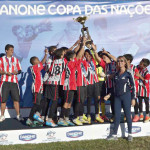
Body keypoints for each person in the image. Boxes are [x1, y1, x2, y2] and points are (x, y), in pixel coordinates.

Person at [107, 56, 136, 141]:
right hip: (117, 98)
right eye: (118, 61)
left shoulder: (128, 73)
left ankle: (130, 134)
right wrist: (109, 95)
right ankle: (114, 135)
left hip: (126, 97)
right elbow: (114, 88)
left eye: (122, 61)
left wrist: (133, 98)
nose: (120, 63)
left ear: (125, 63)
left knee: (127, 115)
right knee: (117, 116)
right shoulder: (115, 74)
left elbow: (133, 87)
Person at [91, 45, 117, 123]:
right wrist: (95, 51)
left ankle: (122, 115)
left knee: (117, 101)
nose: (103, 57)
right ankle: (113, 115)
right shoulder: (104, 65)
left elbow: (116, 59)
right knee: (112, 101)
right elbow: (97, 58)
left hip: (116, 85)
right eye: (103, 56)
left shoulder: (115, 63)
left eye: (105, 56)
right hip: (109, 86)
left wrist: (107, 53)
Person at [0, 44, 23, 122]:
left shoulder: (15, 59)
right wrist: (5, 72)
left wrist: (16, 72)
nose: (12, 51)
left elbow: (19, 70)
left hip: (14, 82)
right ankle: (2, 115)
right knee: (3, 100)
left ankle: (18, 115)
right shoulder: (1, 59)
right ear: (6, 50)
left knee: (16, 100)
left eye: (13, 50)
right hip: (5, 81)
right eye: (10, 50)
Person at [45, 48, 67, 127]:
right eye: (63, 53)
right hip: (56, 82)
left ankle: (50, 118)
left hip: (50, 81)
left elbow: (49, 70)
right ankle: (49, 119)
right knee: (55, 101)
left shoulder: (53, 61)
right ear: (61, 54)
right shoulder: (64, 61)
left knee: (53, 100)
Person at [26, 49, 48, 126]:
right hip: (36, 88)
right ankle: (29, 119)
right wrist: (46, 54)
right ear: (35, 62)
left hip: (39, 87)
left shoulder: (36, 68)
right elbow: (42, 62)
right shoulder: (34, 67)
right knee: (36, 104)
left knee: (40, 102)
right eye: (38, 60)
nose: (39, 61)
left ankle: (36, 117)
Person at [84, 49, 104, 124]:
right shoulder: (83, 61)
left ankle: (97, 115)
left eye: (88, 54)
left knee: (97, 99)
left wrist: (92, 48)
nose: (87, 56)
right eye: (86, 55)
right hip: (88, 82)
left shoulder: (94, 60)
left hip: (96, 82)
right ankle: (88, 115)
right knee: (89, 99)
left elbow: (95, 55)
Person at [123, 54, 139, 122]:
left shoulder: (134, 67)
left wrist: (131, 80)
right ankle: (127, 115)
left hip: (134, 86)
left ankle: (136, 114)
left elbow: (137, 76)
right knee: (126, 101)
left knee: (134, 100)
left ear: (129, 61)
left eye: (125, 60)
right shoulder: (123, 67)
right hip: (126, 87)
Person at [136, 58, 150, 123]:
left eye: (141, 64)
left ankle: (147, 115)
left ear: (145, 66)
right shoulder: (137, 68)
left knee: (147, 102)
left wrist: (140, 76)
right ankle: (141, 114)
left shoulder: (147, 72)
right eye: (140, 62)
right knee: (140, 102)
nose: (140, 64)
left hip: (145, 89)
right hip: (139, 88)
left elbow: (146, 82)